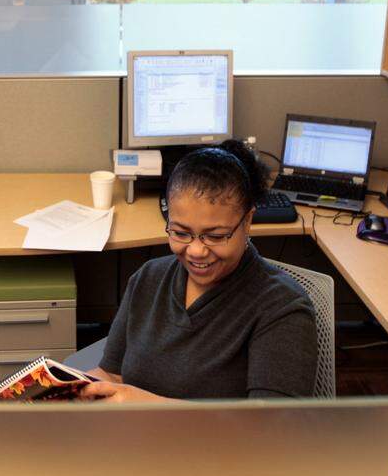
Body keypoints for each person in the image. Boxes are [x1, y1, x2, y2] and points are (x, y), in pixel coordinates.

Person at [81, 139, 319, 402]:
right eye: (181, 233)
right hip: (131, 428)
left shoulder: (282, 307)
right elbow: (112, 375)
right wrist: (75, 390)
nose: (196, 251)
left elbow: (272, 423)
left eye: (215, 236)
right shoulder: (148, 279)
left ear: (247, 221)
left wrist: (145, 405)